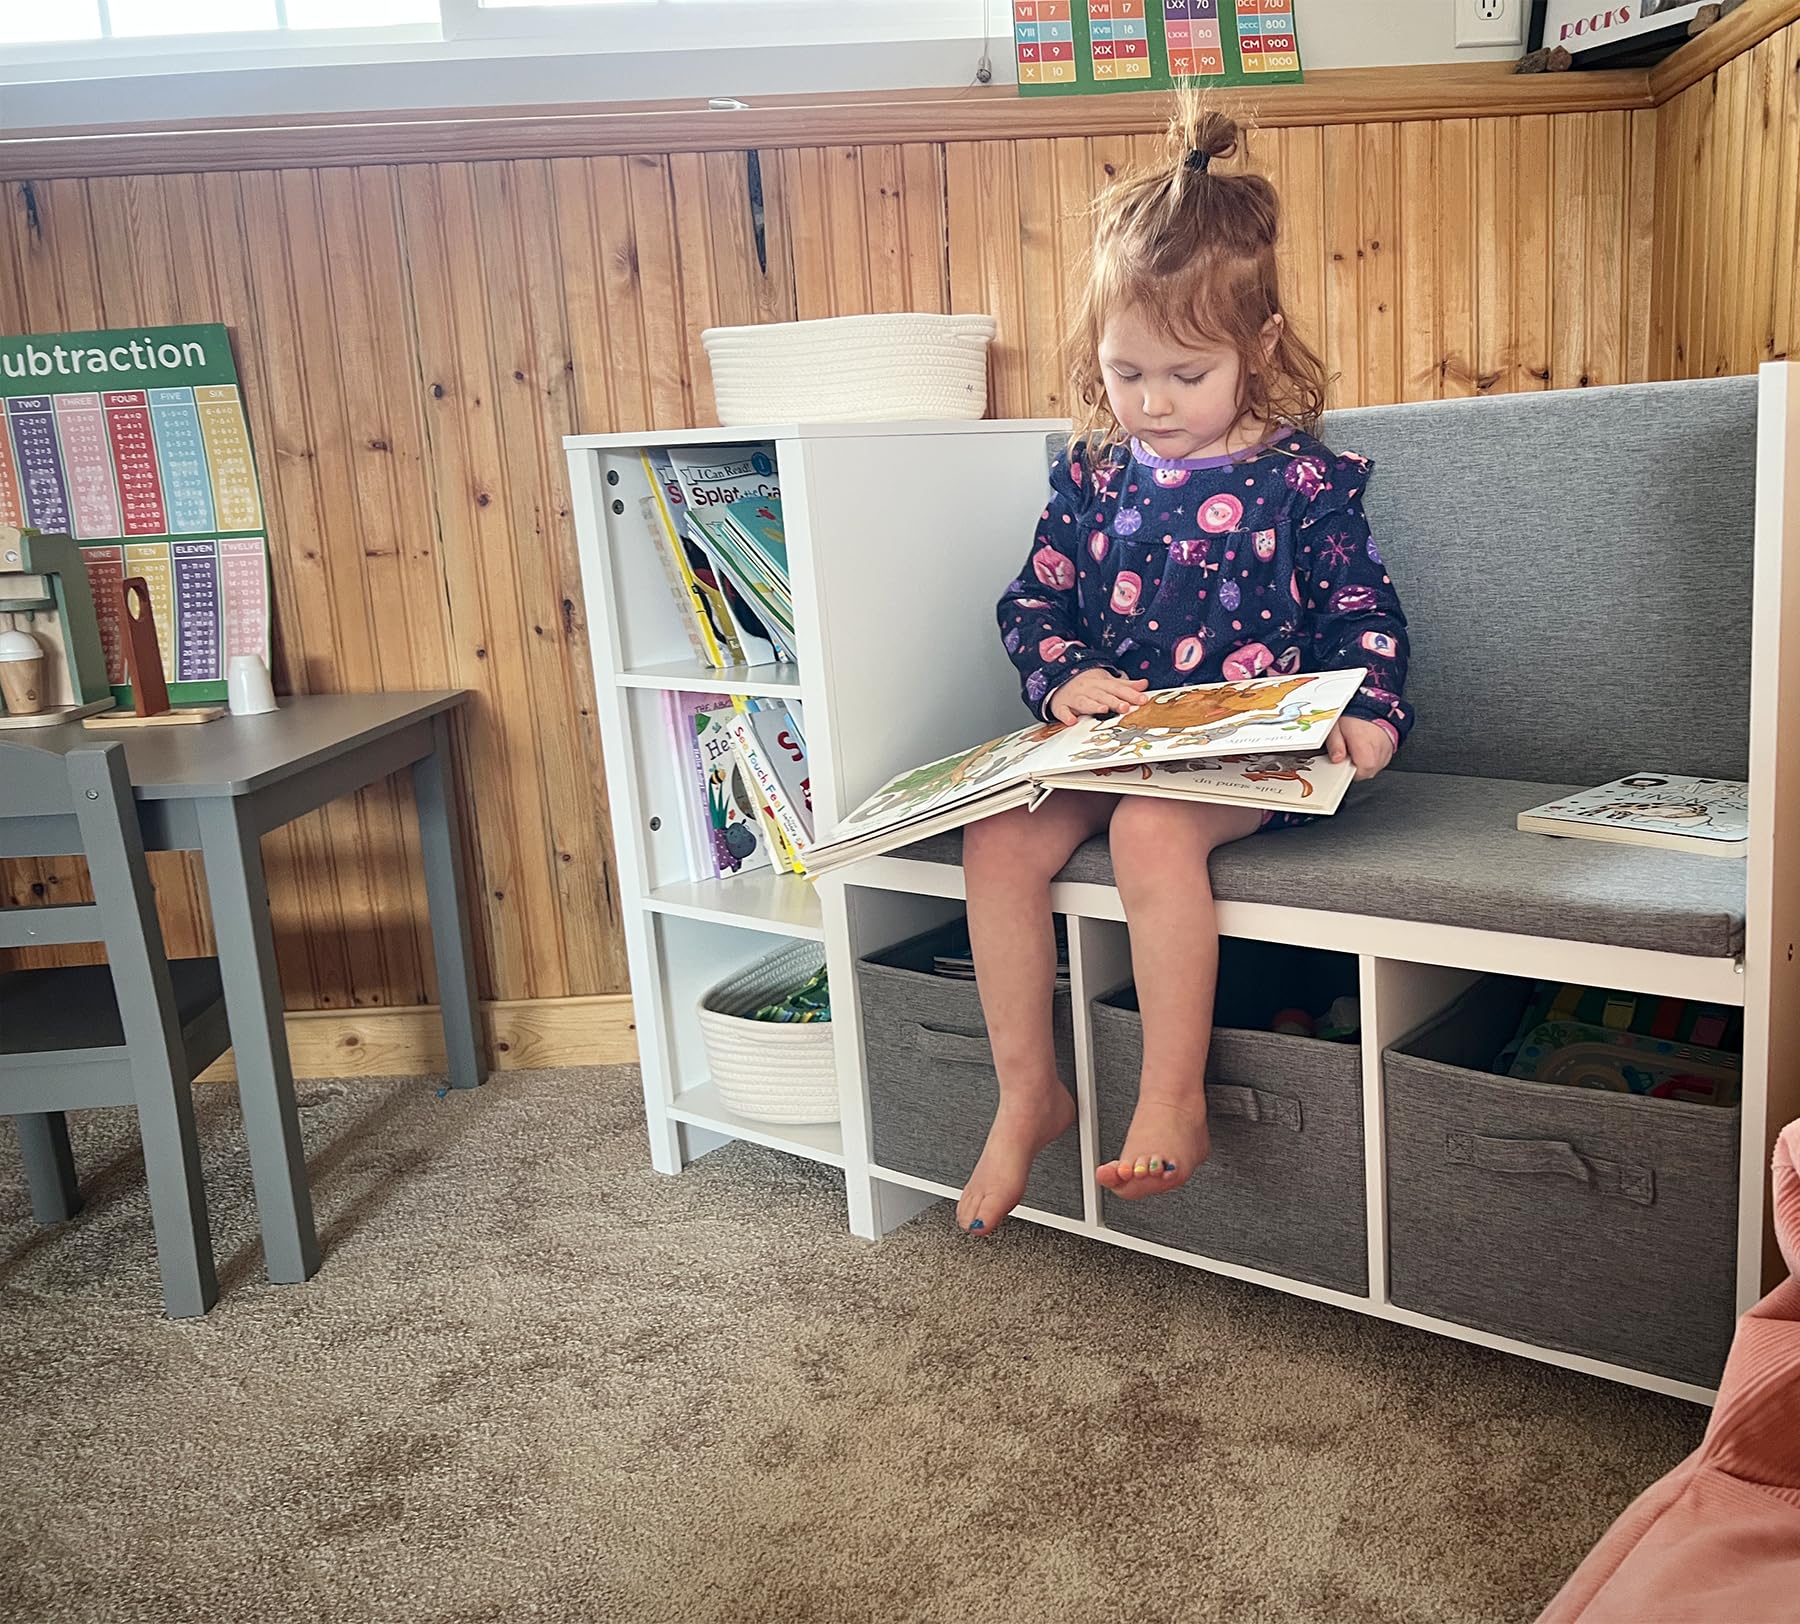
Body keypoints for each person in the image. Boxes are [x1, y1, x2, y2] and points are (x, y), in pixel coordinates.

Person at [957, 99, 1414, 1236]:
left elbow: (1366, 607)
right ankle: (1029, 1096)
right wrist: (1062, 678)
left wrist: (1371, 713)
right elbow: (1034, 599)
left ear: (1257, 350)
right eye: (1126, 373)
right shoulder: (1096, 477)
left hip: (1249, 751)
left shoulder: (1305, 482)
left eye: (1184, 374)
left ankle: (1173, 1098)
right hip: (1127, 739)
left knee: (1153, 834)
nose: (1151, 404)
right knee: (998, 832)